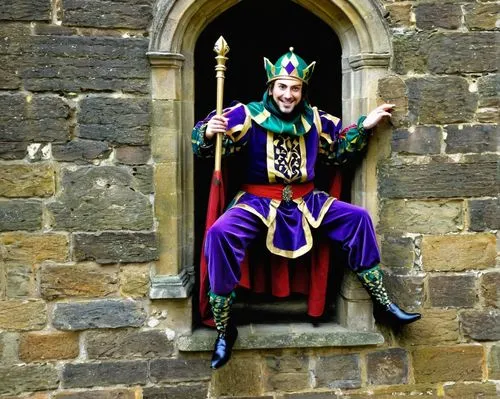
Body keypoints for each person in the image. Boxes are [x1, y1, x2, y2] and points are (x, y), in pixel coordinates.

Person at [192, 48, 421, 369]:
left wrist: (365, 126)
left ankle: (382, 305)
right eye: (282, 87)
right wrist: (208, 131)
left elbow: (340, 152)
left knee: (358, 218)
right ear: (271, 87)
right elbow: (206, 144)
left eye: (295, 88)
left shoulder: (315, 119)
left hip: (307, 200)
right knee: (219, 234)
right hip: (257, 201)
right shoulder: (246, 114)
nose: (288, 95)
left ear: (303, 90)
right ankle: (224, 328)